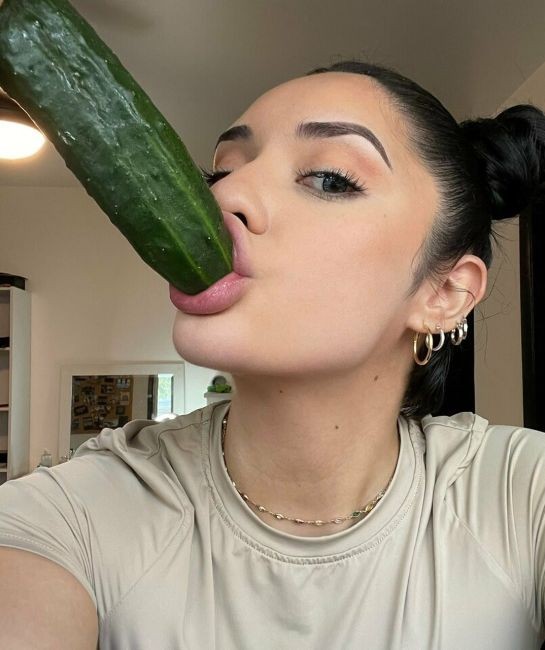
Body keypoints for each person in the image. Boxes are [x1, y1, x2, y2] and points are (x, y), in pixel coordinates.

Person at [1, 58, 545, 650]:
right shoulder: (72, 513)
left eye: (329, 179)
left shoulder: (520, 493)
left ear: (446, 294)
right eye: (221, 171)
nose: (224, 195)